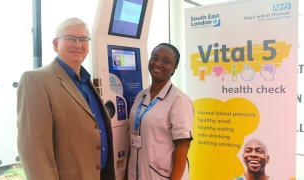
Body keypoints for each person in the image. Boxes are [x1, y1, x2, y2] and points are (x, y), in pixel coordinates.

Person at [17, 17, 115, 180]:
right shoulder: (36, 80)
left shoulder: (86, 82)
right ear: (56, 44)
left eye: (83, 39)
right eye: (70, 38)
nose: (78, 44)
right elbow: (35, 152)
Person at [127, 43, 194, 180]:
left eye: (166, 61)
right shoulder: (141, 96)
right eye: (154, 58)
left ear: (174, 69)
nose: (157, 63)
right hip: (137, 172)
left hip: (162, 175)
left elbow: (182, 146)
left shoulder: (179, 100)